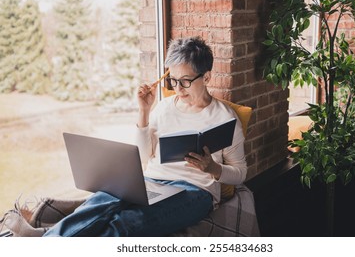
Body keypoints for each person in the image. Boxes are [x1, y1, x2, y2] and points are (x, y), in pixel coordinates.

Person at [43, 36, 247, 237]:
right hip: (150, 181)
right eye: (173, 80)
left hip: (196, 191)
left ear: (207, 77)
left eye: (185, 81)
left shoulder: (225, 118)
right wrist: (144, 112)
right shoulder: (164, 107)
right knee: (97, 205)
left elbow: (240, 173)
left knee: (127, 222)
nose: (177, 89)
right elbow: (143, 156)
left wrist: (213, 168)